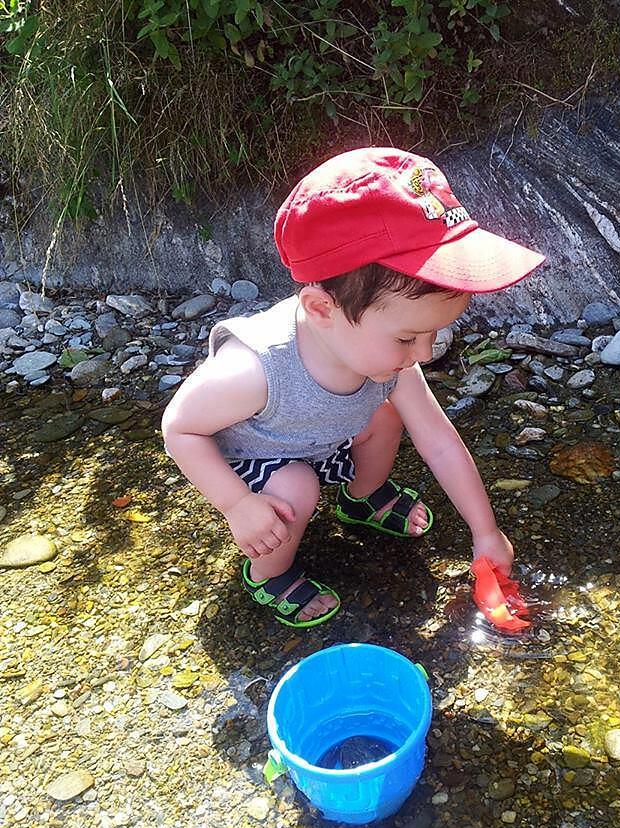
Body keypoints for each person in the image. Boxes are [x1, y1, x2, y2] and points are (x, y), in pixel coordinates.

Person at [161, 147, 544, 628]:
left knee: (388, 412)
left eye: (435, 335)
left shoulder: (386, 358)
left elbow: (439, 440)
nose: (425, 354)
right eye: (408, 337)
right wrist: (238, 504)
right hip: (254, 461)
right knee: (296, 487)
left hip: (325, 438)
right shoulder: (255, 370)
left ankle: (362, 497)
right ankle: (267, 573)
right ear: (321, 309)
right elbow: (179, 428)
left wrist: (485, 531)